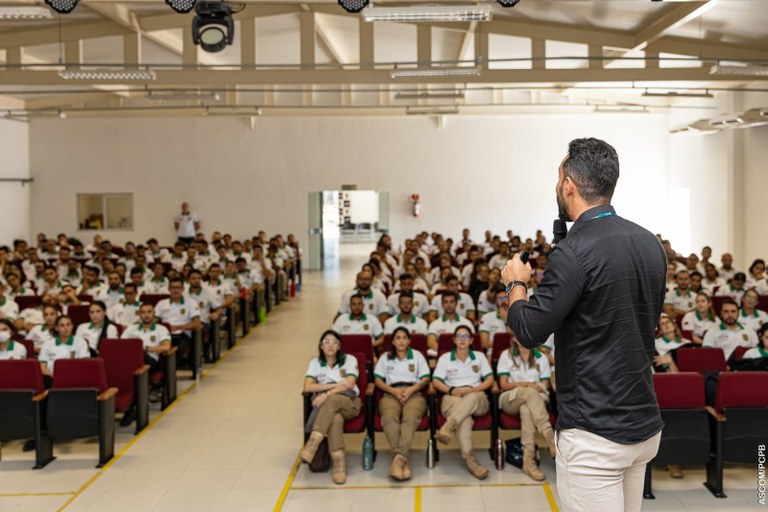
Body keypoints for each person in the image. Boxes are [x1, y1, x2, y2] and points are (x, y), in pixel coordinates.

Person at [504, 138, 665, 512]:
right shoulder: (649, 242)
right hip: (642, 423)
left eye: (558, 178)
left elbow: (528, 330)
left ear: (569, 186)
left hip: (595, 433)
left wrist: (516, 284)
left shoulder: (575, 251)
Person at [431, 325, 494, 479]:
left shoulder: (479, 356)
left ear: (472, 340)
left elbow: (490, 379)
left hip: (476, 396)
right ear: (454, 339)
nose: (462, 339)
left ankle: (447, 427)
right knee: (464, 418)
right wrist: (451, 390)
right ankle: (471, 461)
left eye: (466, 336)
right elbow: (436, 381)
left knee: (470, 398)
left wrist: (474, 389)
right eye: (459, 336)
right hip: (453, 396)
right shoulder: (445, 358)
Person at [300, 330, 362, 485]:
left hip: (350, 402)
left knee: (332, 400)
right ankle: (339, 464)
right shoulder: (315, 363)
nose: (330, 345)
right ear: (321, 346)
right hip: (330, 409)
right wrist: (335, 385)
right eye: (326, 342)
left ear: (339, 345)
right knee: (335, 419)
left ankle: (313, 442)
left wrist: (326, 393)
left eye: (334, 342)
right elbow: (307, 387)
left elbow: (350, 383)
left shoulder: (349, 360)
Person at [497, 329, 555, 481]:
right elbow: (503, 385)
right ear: (514, 338)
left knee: (526, 410)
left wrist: (538, 387)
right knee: (528, 393)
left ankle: (528, 461)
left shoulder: (541, 357)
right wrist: (525, 385)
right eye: (518, 334)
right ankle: (549, 434)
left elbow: (545, 385)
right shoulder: (506, 355)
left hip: (534, 401)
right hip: (510, 399)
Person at [373, 326, 430, 481]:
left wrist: (410, 390)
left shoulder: (417, 356)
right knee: (388, 418)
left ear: (409, 341)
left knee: (410, 419)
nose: (401, 341)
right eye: (398, 338)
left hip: (414, 393)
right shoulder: (385, 357)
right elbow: (378, 380)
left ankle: (398, 459)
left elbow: (425, 378)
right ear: (392, 341)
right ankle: (402, 459)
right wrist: (394, 392)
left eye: (404, 338)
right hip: (391, 393)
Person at [39, 315, 90, 387]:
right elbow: (42, 367)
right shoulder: (47, 344)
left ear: (72, 326)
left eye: (68, 325)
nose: (66, 328)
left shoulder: (81, 342)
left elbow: (84, 365)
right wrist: (54, 376)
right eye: (62, 325)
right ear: (56, 328)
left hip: (74, 378)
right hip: (52, 378)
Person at [121, 303, 171, 373]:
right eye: (143, 312)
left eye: (149, 312)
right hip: (131, 360)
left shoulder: (161, 329)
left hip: (151, 362)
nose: (146, 315)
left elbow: (166, 347)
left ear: (154, 313)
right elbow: (120, 345)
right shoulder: (131, 328)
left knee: (141, 353)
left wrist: (145, 348)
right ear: (139, 314)